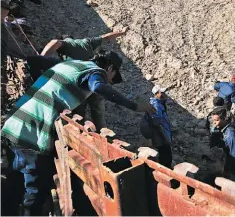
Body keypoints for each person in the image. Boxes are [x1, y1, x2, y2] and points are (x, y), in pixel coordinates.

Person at [1, 50, 155, 215]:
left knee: (12, 186)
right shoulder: (95, 71)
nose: (109, 81)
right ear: (110, 67)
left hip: (13, 124)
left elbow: (34, 60)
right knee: (35, 194)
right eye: (112, 78)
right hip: (33, 134)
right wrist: (135, 106)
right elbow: (98, 86)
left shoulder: (70, 64)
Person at [40, 30, 127, 131]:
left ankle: (82, 130)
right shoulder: (87, 43)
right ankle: (102, 133)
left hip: (82, 83)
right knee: (97, 110)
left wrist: (41, 59)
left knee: (80, 109)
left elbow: (55, 43)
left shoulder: (68, 45)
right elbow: (106, 37)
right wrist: (121, 32)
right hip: (95, 79)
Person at [209, 107, 235, 184]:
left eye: (216, 120)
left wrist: (228, 172)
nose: (214, 123)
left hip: (229, 165)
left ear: (224, 119)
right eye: (213, 120)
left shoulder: (231, 136)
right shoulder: (219, 128)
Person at [149, 85, 172, 168]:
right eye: (162, 92)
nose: (165, 94)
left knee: (165, 157)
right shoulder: (156, 105)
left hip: (163, 134)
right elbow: (156, 123)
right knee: (166, 158)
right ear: (156, 94)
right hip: (161, 136)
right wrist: (165, 137)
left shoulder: (160, 103)